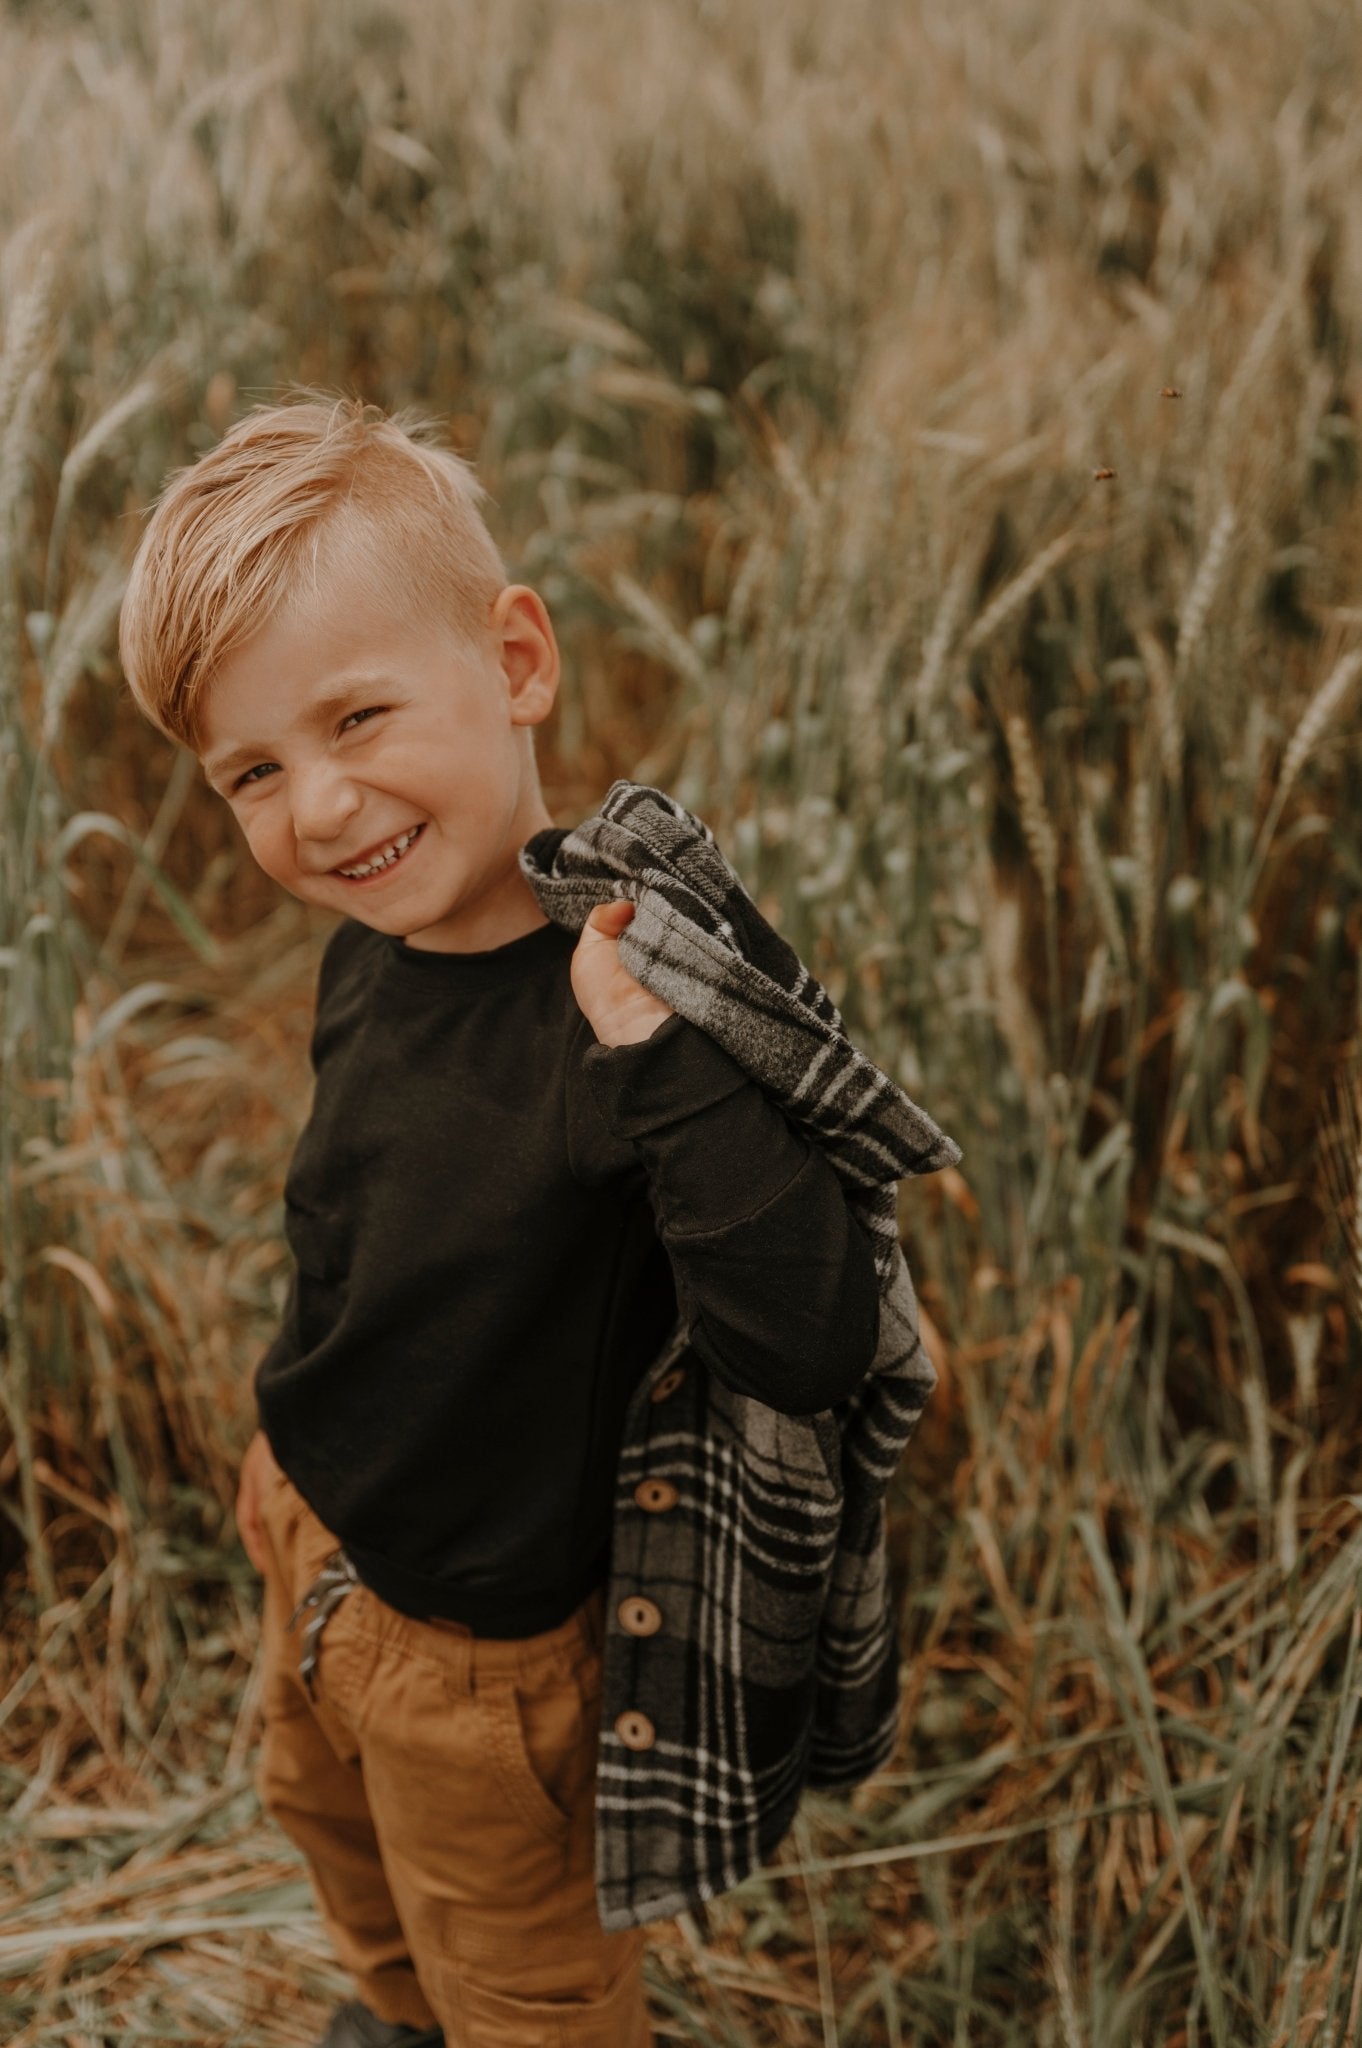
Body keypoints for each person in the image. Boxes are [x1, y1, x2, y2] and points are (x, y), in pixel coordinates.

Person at [116, 396, 894, 2048]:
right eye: (254, 770)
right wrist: (287, 1444)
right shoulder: (369, 950)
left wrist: (660, 1063)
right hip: (320, 1554)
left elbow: (805, 1338)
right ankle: (399, 2021)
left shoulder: (622, 1015)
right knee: (339, 1848)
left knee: (523, 1991)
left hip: (492, 1669)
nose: (317, 810)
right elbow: (349, 1230)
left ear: (516, 662)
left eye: (358, 718)